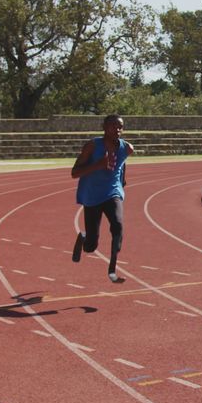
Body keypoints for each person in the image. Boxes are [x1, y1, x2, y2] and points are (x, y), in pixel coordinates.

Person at [71, 114, 134, 282]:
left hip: (113, 193)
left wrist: (122, 180)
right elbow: (74, 172)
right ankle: (83, 237)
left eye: (120, 126)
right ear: (104, 127)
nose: (117, 130)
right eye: (113, 126)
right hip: (92, 196)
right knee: (91, 246)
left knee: (118, 225)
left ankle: (112, 270)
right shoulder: (92, 146)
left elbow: (122, 162)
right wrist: (97, 165)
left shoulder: (127, 148)